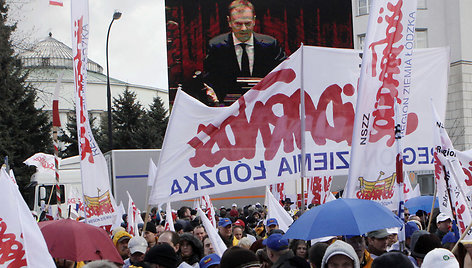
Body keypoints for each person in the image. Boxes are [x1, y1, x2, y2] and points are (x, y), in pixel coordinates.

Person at [203, 0, 286, 104]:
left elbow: (282, 74)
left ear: (254, 20)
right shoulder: (216, 46)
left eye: (248, 23)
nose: (243, 29)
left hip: (264, 103)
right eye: (238, 24)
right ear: (229, 21)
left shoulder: (270, 45)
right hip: (229, 105)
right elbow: (210, 79)